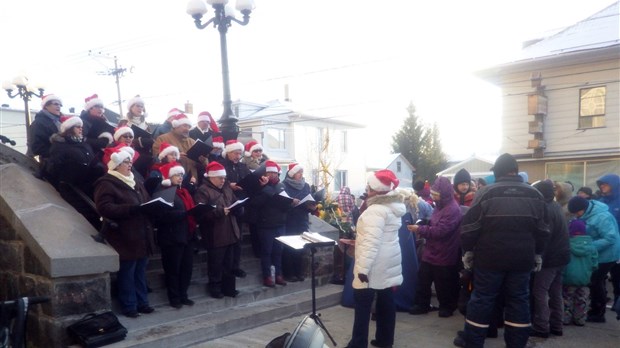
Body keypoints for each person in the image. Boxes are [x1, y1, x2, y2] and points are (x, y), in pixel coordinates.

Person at [459, 153, 550, 348]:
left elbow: (469, 228)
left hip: (489, 259)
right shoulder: (535, 195)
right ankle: (516, 344)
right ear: (515, 170)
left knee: (482, 300)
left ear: (497, 172)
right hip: (522, 260)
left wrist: (468, 251)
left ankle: (473, 343)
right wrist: (538, 253)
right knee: (519, 301)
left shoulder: (486, 193)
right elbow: (544, 230)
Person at [345, 169, 404, 348]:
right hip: (389, 259)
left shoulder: (375, 211)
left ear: (375, 190)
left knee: (362, 305)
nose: (366, 189)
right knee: (386, 301)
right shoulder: (392, 207)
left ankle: (358, 344)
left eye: (368, 187)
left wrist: (362, 269)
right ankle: (385, 340)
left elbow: (371, 242)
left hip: (374, 262)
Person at [93, 148, 154, 318]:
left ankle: (143, 302)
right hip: (125, 234)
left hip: (141, 234)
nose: (130, 165)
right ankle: (129, 306)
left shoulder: (134, 181)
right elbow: (104, 207)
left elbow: (146, 200)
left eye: (130, 162)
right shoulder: (106, 182)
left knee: (140, 270)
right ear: (117, 165)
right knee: (127, 272)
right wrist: (131, 209)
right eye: (127, 162)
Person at [408, 176, 462, 318]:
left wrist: (419, 229)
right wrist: (425, 223)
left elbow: (441, 231)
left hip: (445, 252)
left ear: (444, 194)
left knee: (443, 282)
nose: (434, 197)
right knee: (423, 278)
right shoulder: (439, 207)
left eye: (436, 195)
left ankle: (447, 306)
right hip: (431, 250)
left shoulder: (453, 209)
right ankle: (422, 304)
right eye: (433, 194)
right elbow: (434, 223)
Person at [150, 162, 196, 309]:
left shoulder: (185, 192)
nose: (180, 177)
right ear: (169, 176)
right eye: (177, 175)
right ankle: (174, 297)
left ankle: (184, 295)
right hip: (171, 237)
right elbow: (160, 216)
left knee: (186, 268)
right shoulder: (162, 191)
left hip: (187, 235)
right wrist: (183, 214)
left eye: (182, 175)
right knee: (173, 269)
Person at [567, 196, 620, 323]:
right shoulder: (586, 215)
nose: (576, 216)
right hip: (597, 252)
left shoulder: (602, 217)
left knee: (595, 281)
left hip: (608, 255)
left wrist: (589, 246)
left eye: (577, 212)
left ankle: (598, 313)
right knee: (596, 281)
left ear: (583, 209)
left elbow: (610, 238)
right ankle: (594, 309)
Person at [194, 161, 242, 298]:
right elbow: (201, 213)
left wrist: (239, 208)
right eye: (220, 178)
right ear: (211, 177)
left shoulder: (226, 188)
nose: (223, 180)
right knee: (216, 263)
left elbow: (234, 201)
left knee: (229, 263)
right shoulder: (203, 191)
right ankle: (215, 288)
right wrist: (220, 212)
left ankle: (229, 288)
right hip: (215, 234)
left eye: (224, 178)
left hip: (231, 231)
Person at [530, 180, 570, 338]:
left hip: (550, 259)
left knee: (539, 291)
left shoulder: (546, 209)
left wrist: (537, 256)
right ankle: (556, 325)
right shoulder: (556, 206)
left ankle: (541, 327)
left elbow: (544, 237)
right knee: (555, 292)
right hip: (562, 257)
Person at [247, 160, 291, 287]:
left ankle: (278, 274)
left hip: (280, 223)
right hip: (266, 224)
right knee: (266, 251)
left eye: (274, 173)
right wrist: (265, 189)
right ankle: (267, 276)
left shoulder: (282, 186)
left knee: (278, 251)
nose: (272, 175)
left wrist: (290, 203)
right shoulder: (259, 186)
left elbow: (285, 205)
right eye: (269, 173)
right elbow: (254, 203)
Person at [47, 115, 106, 197]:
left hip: (89, 185)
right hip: (73, 189)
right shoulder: (59, 146)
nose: (81, 129)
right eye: (78, 127)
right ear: (69, 129)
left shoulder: (84, 144)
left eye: (81, 127)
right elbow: (55, 168)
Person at [221, 139, 252, 278]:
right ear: (228, 152)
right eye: (235, 153)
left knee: (238, 238)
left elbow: (249, 181)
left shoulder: (243, 166)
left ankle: (236, 265)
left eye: (240, 153)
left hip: (240, 202)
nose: (238, 156)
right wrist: (229, 185)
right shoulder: (222, 165)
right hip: (226, 203)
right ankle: (227, 267)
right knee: (228, 238)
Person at [282, 163, 316, 282]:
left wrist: (312, 207)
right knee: (290, 246)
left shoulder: (306, 185)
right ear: (292, 174)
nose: (301, 175)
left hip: (302, 219)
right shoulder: (284, 185)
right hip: (290, 219)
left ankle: (299, 271)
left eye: (302, 172)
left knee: (301, 247)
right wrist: (291, 202)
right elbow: (282, 202)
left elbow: (309, 199)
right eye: (298, 172)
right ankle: (289, 273)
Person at [563, 219, 598, 326]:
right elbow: (595, 264)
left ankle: (565, 318)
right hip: (584, 279)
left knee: (567, 299)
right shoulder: (592, 247)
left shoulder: (567, 245)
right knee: (582, 300)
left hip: (568, 278)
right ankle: (580, 319)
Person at [152, 113, 201, 185]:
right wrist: (175, 157)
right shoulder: (162, 138)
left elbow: (200, 165)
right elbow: (157, 158)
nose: (187, 129)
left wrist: (202, 159)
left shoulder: (192, 142)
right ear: (176, 126)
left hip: (192, 181)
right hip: (171, 182)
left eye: (189, 127)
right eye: (184, 126)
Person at [596, 174, 620, 306]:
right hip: (603, 245)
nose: (602, 186)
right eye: (601, 184)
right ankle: (600, 306)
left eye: (605, 183)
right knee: (598, 278)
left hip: (617, 245)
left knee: (617, 278)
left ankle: (617, 305)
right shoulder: (601, 201)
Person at [29, 94, 63, 161]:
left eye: (60, 105)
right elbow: (36, 148)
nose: (58, 106)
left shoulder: (60, 121)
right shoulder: (38, 123)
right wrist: (58, 151)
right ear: (46, 106)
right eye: (56, 104)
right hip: (51, 162)